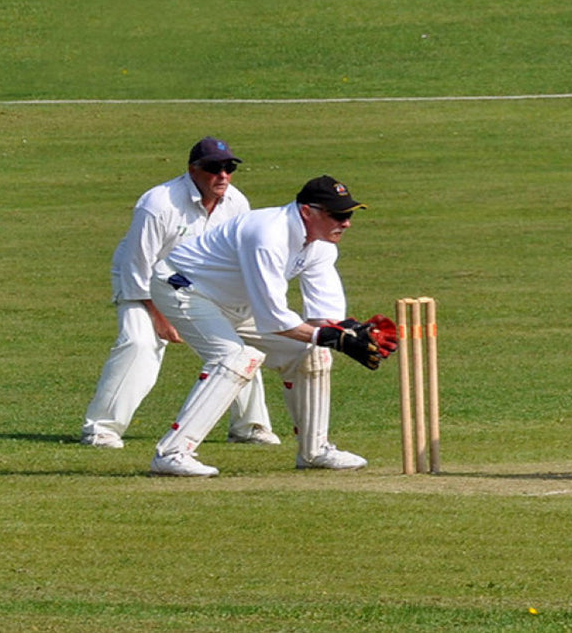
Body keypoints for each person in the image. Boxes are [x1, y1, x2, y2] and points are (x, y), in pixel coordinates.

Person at [146, 175, 398, 477]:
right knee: (236, 358)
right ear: (307, 211)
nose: (346, 223)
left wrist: (351, 333)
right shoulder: (268, 235)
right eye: (337, 215)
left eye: (349, 215)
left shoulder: (322, 245)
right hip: (185, 288)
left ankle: (314, 451)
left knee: (311, 353)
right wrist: (332, 337)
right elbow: (274, 318)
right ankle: (172, 453)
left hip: (238, 302)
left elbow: (324, 317)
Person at [80, 137, 279, 449]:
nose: (223, 175)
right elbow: (137, 266)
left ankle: (249, 427)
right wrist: (159, 317)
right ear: (192, 169)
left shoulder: (237, 203)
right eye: (213, 168)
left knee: (237, 347)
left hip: (203, 286)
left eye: (229, 168)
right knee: (140, 342)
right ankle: (100, 430)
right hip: (144, 283)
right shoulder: (158, 204)